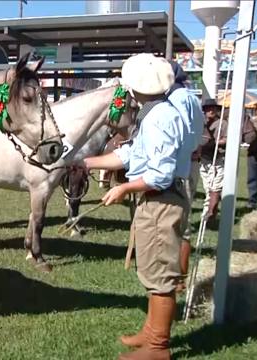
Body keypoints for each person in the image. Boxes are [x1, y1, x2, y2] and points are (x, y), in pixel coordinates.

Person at [80, 53, 190, 360]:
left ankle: (158, 347)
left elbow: (159, 174)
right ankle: (151, 332)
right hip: (157, 199)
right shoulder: (153, 112)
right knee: (153, 271)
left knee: (161, 277)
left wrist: (124, 187)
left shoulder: (158, 118)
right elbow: (130, 156)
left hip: (161, 200)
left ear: (134, 88)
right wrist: (84, 162)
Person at [166, 61, 204, 290]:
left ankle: (178, 278)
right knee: (181, 219)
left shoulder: (178, 99)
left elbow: (177, 135)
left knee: (180, 222)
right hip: (189, 163)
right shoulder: (189, 97)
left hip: (181, 165)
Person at [199, 98, 227, 223]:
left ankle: (210, 214)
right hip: (205, 159)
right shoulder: (201, 123)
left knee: (215, 187)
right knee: (207, 187)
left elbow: (226, 139)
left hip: (218, 158)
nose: (211, 111)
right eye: (208, 109)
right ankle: (210, 212)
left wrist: (214, 143)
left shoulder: (222, 123)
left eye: (213, 108)